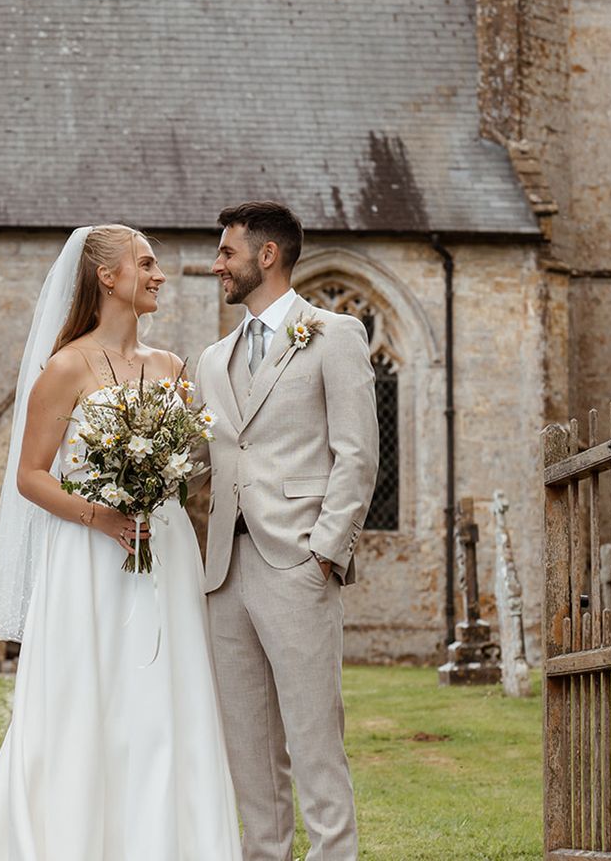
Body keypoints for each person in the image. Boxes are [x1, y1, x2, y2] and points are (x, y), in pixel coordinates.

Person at [0, 224, 241, 861]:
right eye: (146, 264)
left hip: (164, 549)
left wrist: (162, 487)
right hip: (89, 555)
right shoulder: (66, 366)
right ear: (107, 278)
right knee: (92, 698)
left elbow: (191, 462)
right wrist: (101, 517)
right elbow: (30, 476)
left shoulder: (171, 368)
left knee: (169, 698)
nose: (159, 275)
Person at [196, 201, 379, 861]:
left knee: (314, 744)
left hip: (297, 565)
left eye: (226, 252)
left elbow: (357, 454)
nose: (217, 264)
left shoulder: (334, 334)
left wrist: (324, 555)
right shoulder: (211, 360)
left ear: (265, 255)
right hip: (223, 575)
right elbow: (201, 458)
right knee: (248, 751)